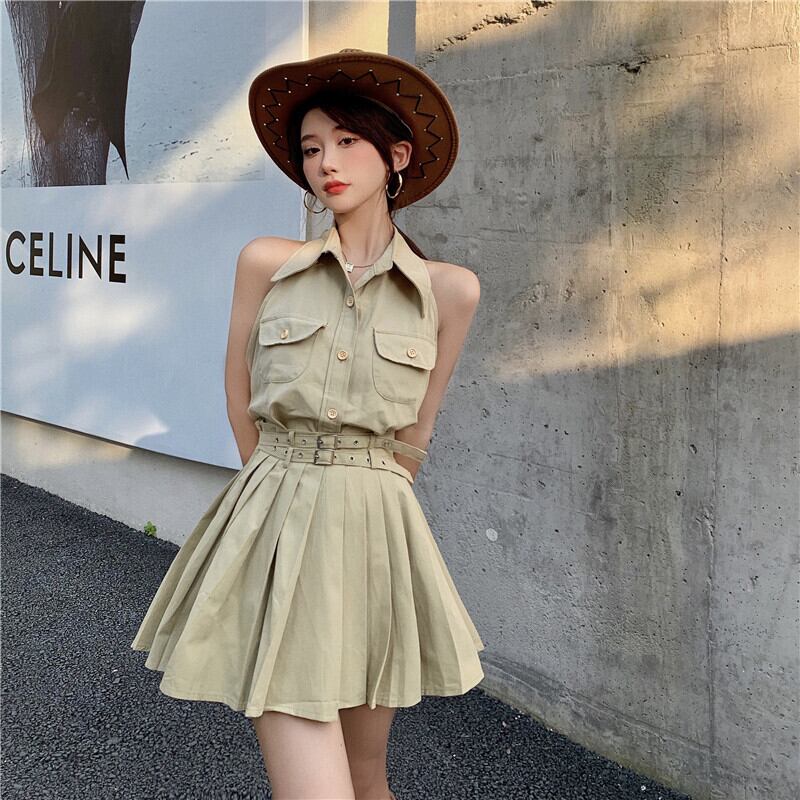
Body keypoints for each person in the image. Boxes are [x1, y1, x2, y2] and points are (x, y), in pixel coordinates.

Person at [131, 49, 485, 800]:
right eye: (312, 147)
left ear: (397, 157)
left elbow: (417, 432)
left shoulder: (449, 291)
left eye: (348, 141)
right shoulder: (268, 262)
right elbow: (239, 389)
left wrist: (366, 491)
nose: (327, 162)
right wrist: (279, 490)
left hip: (377, 533)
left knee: (368, 777)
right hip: (278, 517)